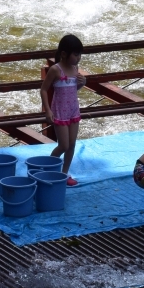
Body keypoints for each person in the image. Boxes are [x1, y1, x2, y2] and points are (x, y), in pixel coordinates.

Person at [39, 34, 85, 187]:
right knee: (63, 145)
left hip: (73, 110)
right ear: (64, 54)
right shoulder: (55, 70)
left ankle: (64, 174)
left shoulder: (75, 68)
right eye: (76, 54)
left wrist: (82, 83)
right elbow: (44, 89)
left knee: (72, 145)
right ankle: (49, 169)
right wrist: (47, 110)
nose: (78, 58)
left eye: (80, 54)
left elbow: (73, 89)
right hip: (59, 111)